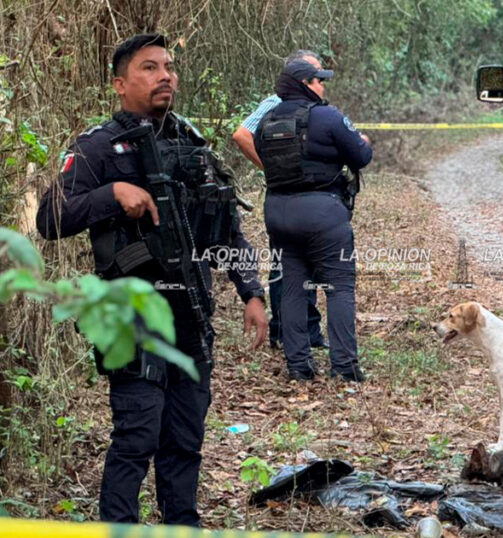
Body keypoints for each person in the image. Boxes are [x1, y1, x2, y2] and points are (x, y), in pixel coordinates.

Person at [35, 34, 268, 525]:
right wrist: (113, 193)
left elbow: (227, 229)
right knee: (137, 435)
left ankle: (182, 525)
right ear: (120, 85)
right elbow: (50, 218)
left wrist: (251, 292)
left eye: (168, 66)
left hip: (191, 313)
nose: (165, 76)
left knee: (184, 438)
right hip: (131, 315)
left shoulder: (192, 143)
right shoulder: (98, 146)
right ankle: (119, 527)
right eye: (149, 67)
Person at [255, 60, 372, 382]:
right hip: (322, 212)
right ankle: (345, 367)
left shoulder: (266, 120)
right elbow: (360, 157)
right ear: (305, 84)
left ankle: (299, 366)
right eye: (318, 81)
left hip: (278, 213)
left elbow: (263, 157)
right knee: (338, 286)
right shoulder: (328, 116)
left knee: (292, 287)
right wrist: (364, 141)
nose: (322, 86)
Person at [232, 50, 326, 350]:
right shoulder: (275, 102)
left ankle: (308, 330)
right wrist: (270, 168)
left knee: (310, 262)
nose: (320, 79)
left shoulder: (314, 106)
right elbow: (241, 134)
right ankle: (281, 331)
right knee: (284, 265)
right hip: (283, 195)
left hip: (309, 195)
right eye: (314, 73)